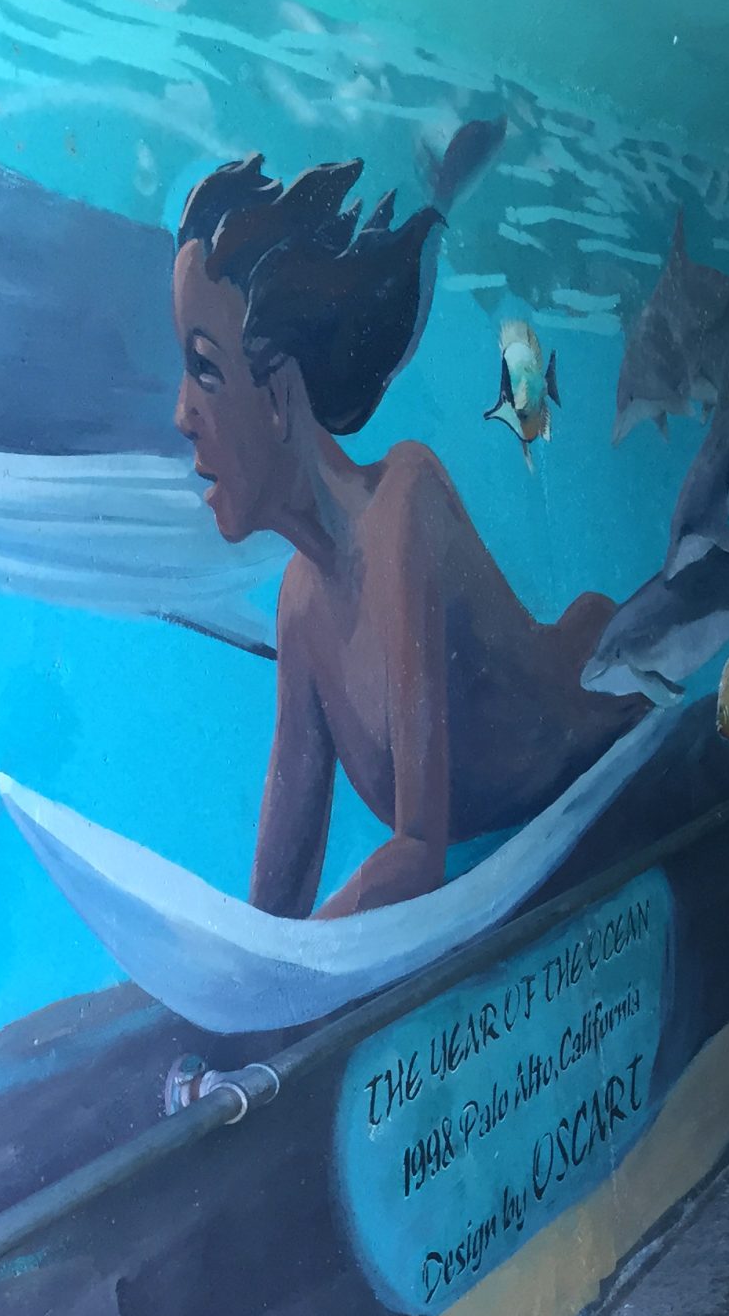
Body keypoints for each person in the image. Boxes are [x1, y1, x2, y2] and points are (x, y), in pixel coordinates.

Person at [170, 155, 647, 919]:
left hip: (600, 709)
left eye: (204, 369)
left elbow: (419, 855)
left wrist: (293, 975)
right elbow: (279, 896)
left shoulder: (404, 505)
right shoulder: (300, 601)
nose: (182, 413)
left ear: (280, 393)